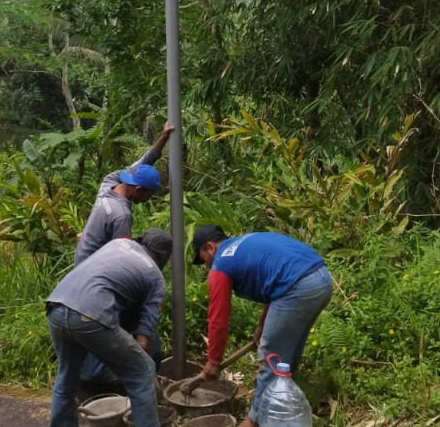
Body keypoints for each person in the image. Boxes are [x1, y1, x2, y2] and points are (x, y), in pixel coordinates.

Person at [191, 225, 333, 427]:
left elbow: (218, 318)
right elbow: (276, 279)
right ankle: (285, 397)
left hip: (298, 287)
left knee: (271, 355)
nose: (205, 265)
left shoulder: (221, 266)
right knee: (288, 348)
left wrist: (214, 360)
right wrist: (262, 325)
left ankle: (256, 420)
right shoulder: (244, 244)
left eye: (202, 257)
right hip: (321, 280)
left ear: (210, 247)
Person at [47, 229, 173, 427]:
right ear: (163, 257)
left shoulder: (118, 244)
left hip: (56, 306)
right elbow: (144, 340)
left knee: (67, 376)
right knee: (143, 370)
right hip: (90, 315)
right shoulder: (155, 277)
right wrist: (143, 374)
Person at [74, 123, 175, 265]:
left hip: (81, 256)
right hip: (93, 268)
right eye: (149, 196)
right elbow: (121, 258)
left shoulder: (109, 182)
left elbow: (144, 162)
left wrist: (164, 137)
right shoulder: (122, 216)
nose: (148, 200)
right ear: (139, 190)